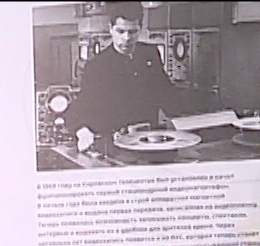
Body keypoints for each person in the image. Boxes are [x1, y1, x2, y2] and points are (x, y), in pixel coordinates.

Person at [66, 1, 181, 154]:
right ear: (111, 29)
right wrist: (82, 132)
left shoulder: (150, 53)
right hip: (117, 146)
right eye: (120, 31)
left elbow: (167, 93)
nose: (127, 38)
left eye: (132, 32)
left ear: (140, 29)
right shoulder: (97, 65)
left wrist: (190, 119)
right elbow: (80, 108)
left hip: (150, 143)